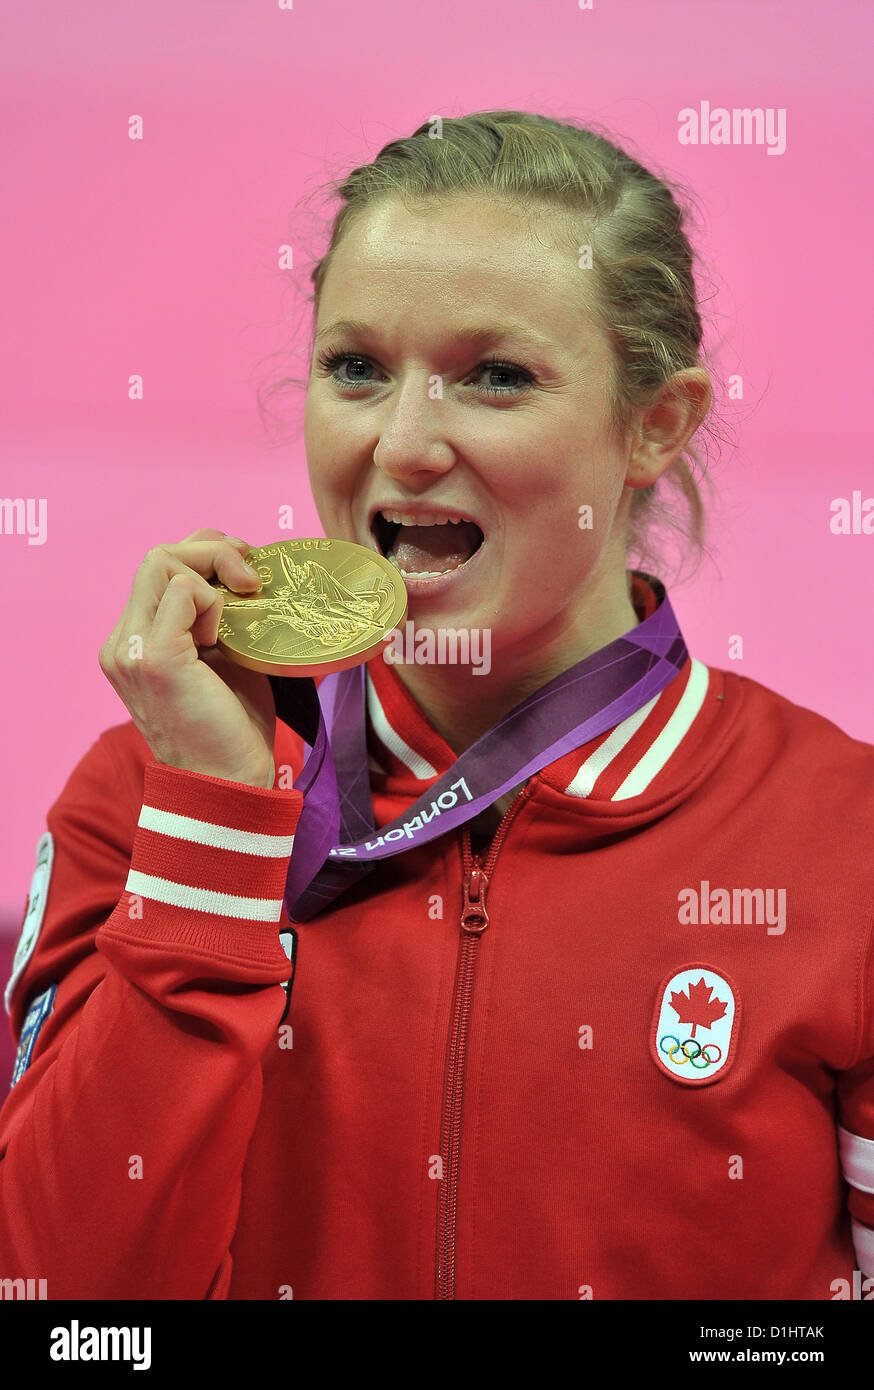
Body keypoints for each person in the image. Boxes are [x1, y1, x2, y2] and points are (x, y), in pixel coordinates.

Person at [2, 111, 873, 1301]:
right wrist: (211, 830)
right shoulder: (148, 796)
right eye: (355, 367)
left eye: (496, 376)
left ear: (654, 425)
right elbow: (70, 1311)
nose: (403, 443)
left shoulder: (840, 838)